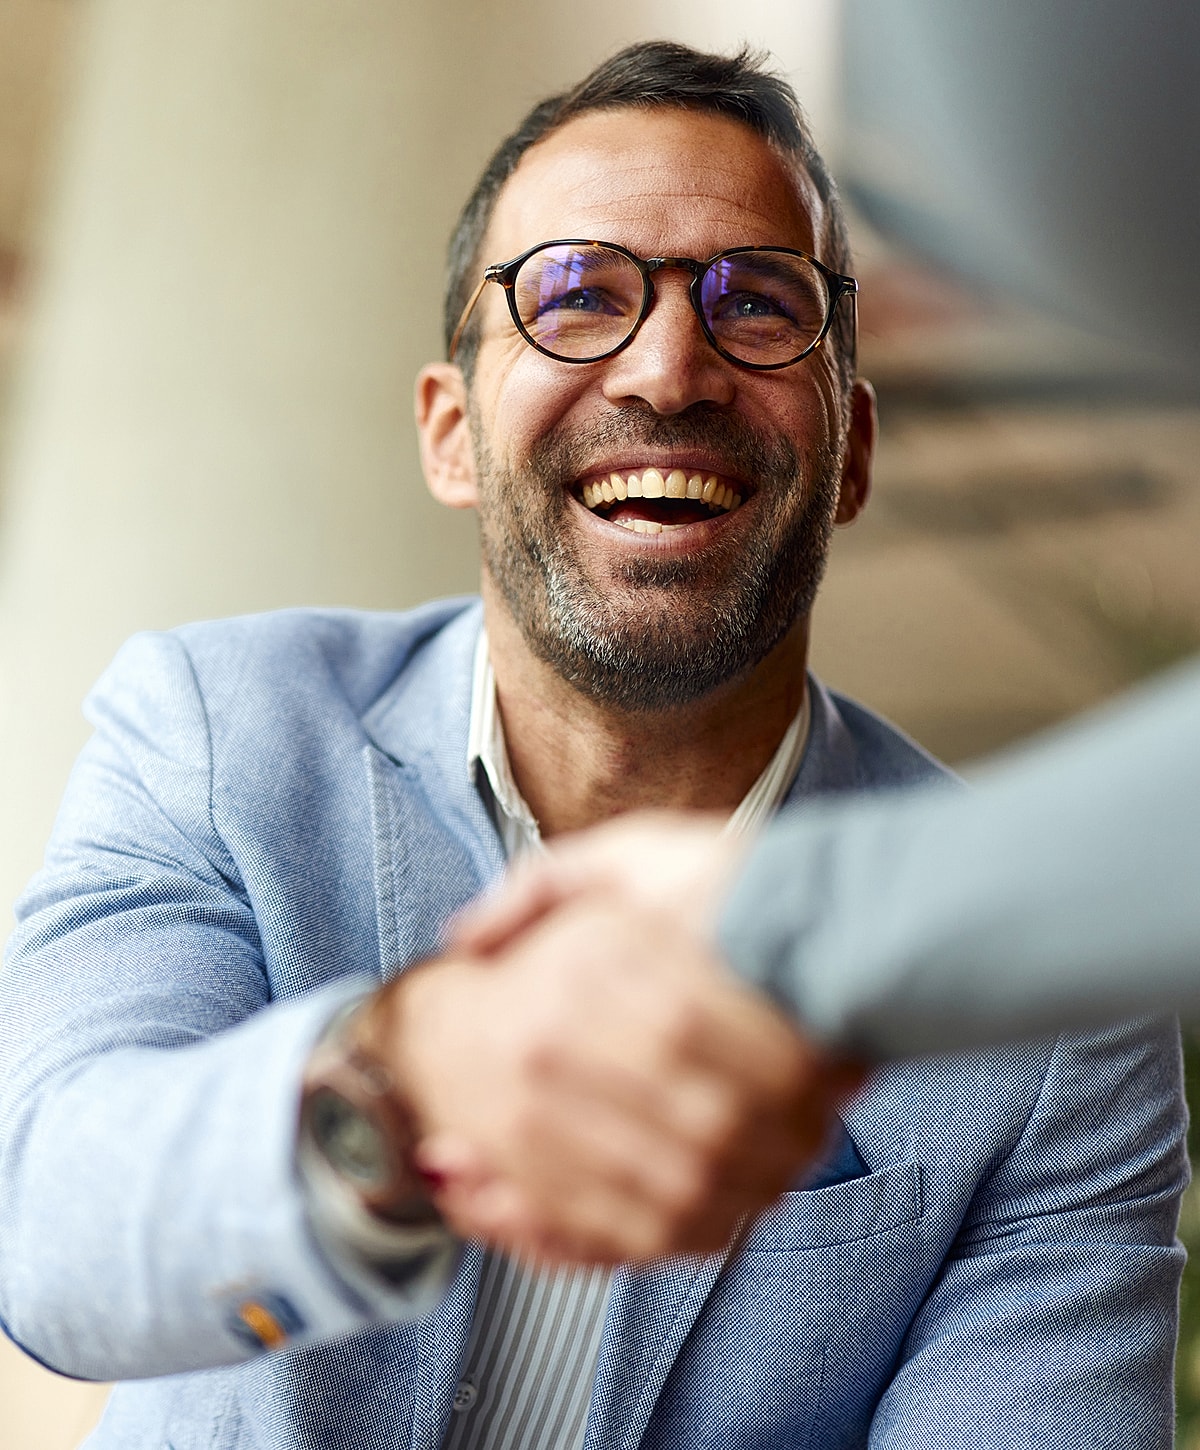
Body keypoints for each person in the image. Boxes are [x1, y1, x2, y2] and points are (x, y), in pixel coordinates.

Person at [0, 40, 1186, 1450]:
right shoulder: (214, 733)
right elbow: (54, 1232)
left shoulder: (1049, 1011)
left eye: (759, 304)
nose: (670, 366)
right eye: (575, 296)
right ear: (451, 434)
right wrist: (407, 1075)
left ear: (854, 450)